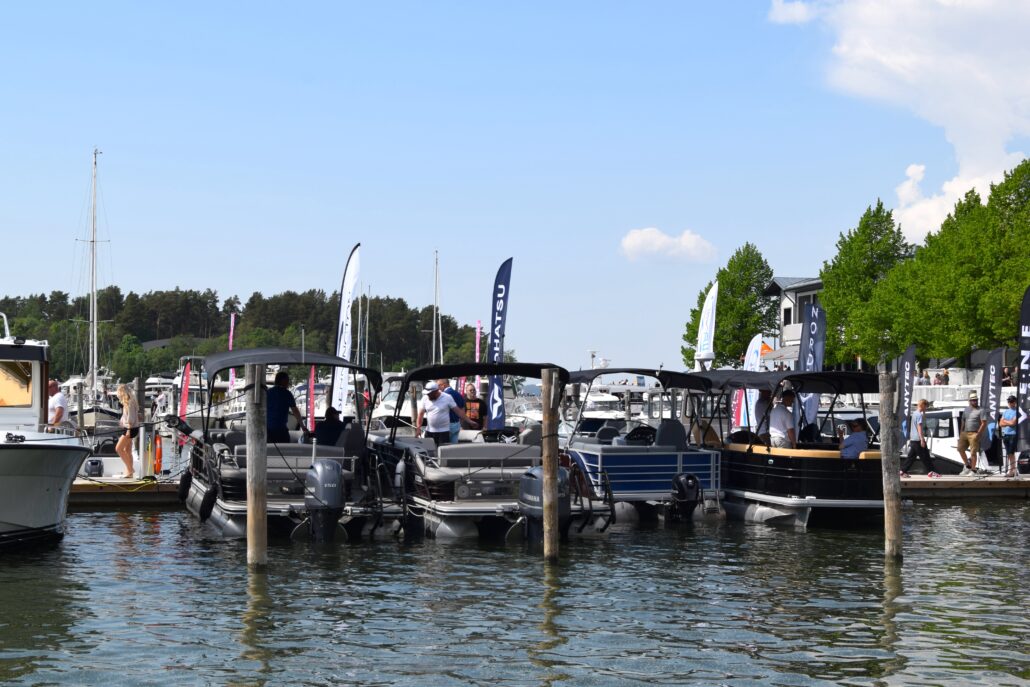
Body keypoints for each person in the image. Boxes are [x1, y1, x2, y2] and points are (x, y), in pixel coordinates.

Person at [417, 381, 475, 446]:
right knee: (429, 450)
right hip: (429, 432)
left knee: (443, 451)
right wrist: (418, 428)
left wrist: (470, 421)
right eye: (427, 394)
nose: (428, 395)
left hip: (443, 432)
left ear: (436, 391)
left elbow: (458, 412)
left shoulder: (447, 397)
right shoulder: (425, 398)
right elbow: (420, 414)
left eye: (430, 394)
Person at [900, 399, 940, 477]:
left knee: (911, 457)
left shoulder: (914, 414)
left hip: (913, 439)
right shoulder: (919, 415)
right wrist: (922, 439)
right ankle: (932, 471)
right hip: (918, 439)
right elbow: (919, 427)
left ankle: (902, 471)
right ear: (923, 405)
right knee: (925, 456)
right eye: (926, 407)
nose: (926, 408)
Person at [957, 390, 989, 476]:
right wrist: (961, 432)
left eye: (976, 400)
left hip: (974, 433)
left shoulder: (981, 410)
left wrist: (978, 433)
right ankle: (968, 466)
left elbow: (984, 423)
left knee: (973, 452)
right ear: (970, 401)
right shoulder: (966, 409)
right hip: (964, 433)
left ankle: (973, 470)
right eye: (973, 400)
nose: (975, 401)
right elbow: (963, 420)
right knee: (960, 449)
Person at [267, 371, 305, 444]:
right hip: (281, 430)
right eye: (287, 380)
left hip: (268, 430)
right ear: (283, 381)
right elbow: (295, 411)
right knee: (285, 448)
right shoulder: (287, 394)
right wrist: (303, 426)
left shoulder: (268, 392)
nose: (288, 382)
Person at [115, 384, 140, 479]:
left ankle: (130, 469)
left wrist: (128, 430)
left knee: (118, 449)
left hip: (130, 429)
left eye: (118, 392)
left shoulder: (129, 402)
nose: (117, 394)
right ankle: (129, 473)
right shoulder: (130, 401)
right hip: (132, 428)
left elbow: (131, 419)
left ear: (122, 392)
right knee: (127, 451)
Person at [438, 378, 465, 443]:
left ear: (443, 385)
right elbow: (462, 410)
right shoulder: (458, 394)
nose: (437, 388)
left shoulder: (444, 395)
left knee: (443, 446)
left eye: (438, 385)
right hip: (456, 424)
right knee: (453, 446)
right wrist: (461, 424)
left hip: (446, 425)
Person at [999, 395, 1020, 478]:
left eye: (1011, 401)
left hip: (1013, 434)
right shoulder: (1005, 412)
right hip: (1005, 434)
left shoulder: (1017, 411)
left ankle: (1012, 471)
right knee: (1009, 453)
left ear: (1015, 402)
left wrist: (1005, 421)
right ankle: (1012, 470)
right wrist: (1008, 422)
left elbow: (1013, 423)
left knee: (1011, 453)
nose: (1010, 403)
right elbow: (1000, 424)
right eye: (1009, 401)